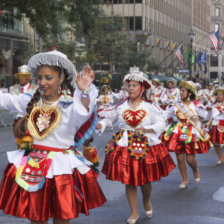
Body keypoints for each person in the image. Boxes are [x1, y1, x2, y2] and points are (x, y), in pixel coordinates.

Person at [0, 50, 106, 224]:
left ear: (62, 78)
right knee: (36, 217)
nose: (42, 83)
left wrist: (84, 91)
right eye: (40, 78)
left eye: (48, 78)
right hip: (33, 167)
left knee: (62, 217)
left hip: (60, 169)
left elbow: (84, 111)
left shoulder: (71, 105)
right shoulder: (30, 102)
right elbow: (5, 99)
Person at [96, 71, 175, 224]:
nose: (130, 88)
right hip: (125, 146)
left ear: (142, 88)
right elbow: (109, 118)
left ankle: (146, 200)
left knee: (145, 181)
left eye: (134, 86)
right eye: (129, 86)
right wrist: (102, 124)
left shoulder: (149, 106)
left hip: (145, 145)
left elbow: (161, 123)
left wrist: (146, 129)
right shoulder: (121, 106)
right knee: (129, 180)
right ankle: (134, 212)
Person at [162, 81, 211, 189]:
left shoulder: (196, 105)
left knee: (189, 159)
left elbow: (206, 118)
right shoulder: (175, 105)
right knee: (179, 158)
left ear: (189, 93)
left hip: (191, 131)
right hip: (178, 131)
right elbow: (164, 115)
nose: (181, 93)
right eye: (181, 91)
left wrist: (209, 111)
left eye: (184, 91)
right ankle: (184, 179)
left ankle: (195, 169)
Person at [9, 65, 38, 136]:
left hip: (31, 121)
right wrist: (14, 115)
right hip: (17, 121)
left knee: (30, 144)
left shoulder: (35, 88)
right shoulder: (12, 89)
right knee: (19, 143)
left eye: (24, 76)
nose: (21, 78)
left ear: (28, 77)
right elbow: (10, 104)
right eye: (20, 76)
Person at [209, 88, 224, 164]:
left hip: (223, 123)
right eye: (217, 95)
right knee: (216, 142)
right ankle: (221, 158)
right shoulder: (212, 105)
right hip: (215, 124)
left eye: (221, 94)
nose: (218, 96)